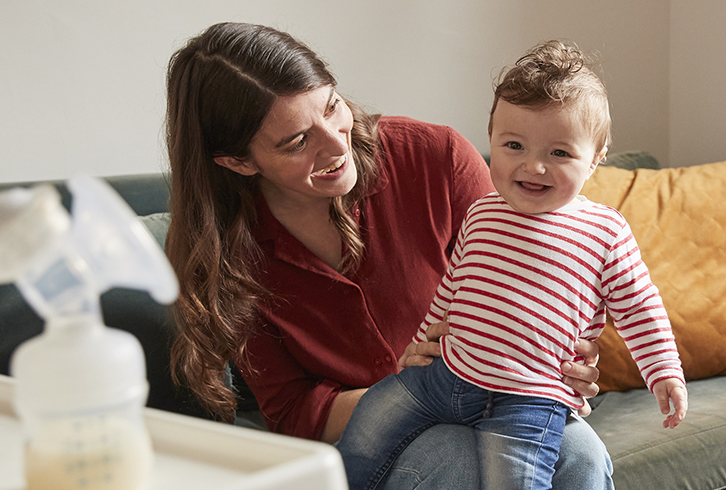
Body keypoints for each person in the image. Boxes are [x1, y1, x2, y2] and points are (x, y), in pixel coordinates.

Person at [165, 22, 612, 489]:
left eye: (332, 106)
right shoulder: (232, 258)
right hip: (368, 434)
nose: (338, 145)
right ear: (238, 162)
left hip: (495, 393)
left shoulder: (435, 157)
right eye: (297, 141)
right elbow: (294, 412)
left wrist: (559, 356)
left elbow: (538, 274)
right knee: (453, 459)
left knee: (581, 453)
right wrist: (412, 387)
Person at [335, 40, 688, 490]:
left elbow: (641, 310)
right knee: (372, 418)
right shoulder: (482, 212)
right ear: (492, 141)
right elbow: (452, 287)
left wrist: (664, 373)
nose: (534, 165)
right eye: (514, 145)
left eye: (559, 153)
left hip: (530, 400)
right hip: (449, 375)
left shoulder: (607, 232)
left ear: (596, 158)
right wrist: (422, 341)